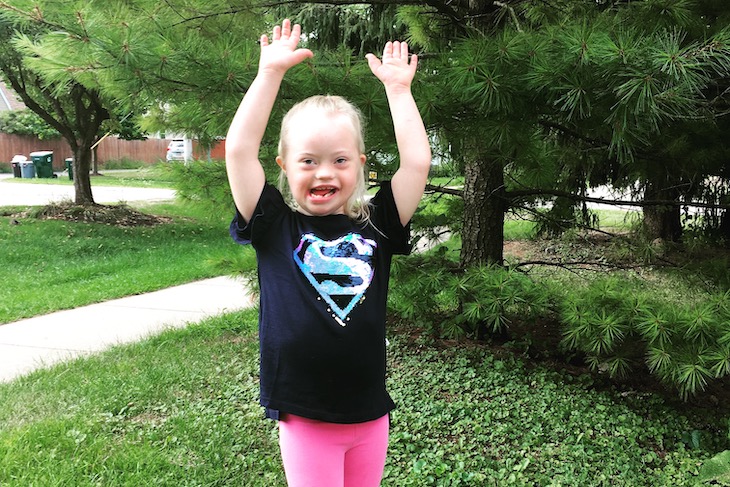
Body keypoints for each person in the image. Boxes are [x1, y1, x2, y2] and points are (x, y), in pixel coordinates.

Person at [226, 19, 431, 487]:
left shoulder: (378, 224)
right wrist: (269, 74)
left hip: (369, 413)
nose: (324, 172)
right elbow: (238, 151)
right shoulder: (274, 223)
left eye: (340, 160)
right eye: (308, 160)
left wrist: (399, 91)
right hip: (306, 416)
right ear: (284, 166)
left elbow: (417, 162)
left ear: (359, 166)